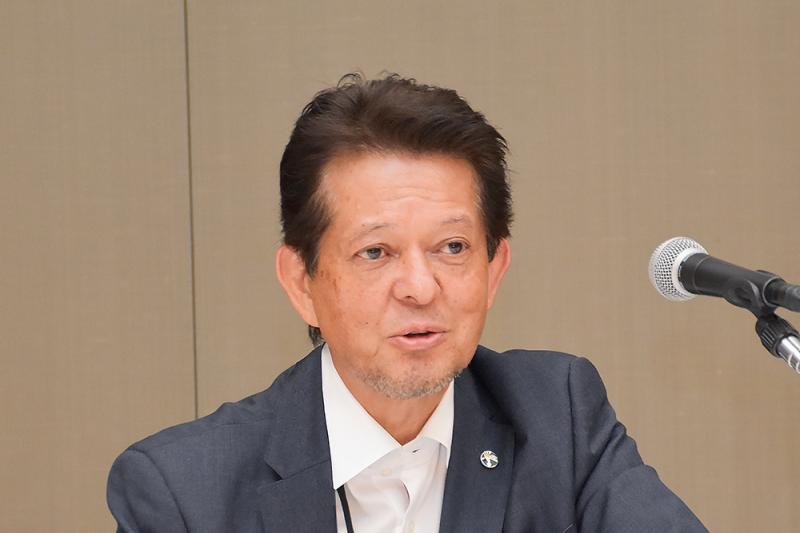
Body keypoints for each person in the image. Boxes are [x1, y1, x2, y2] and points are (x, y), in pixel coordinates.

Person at [107, 74, 707, 532]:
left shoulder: (558, 419)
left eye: (452, 247)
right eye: (376, 252)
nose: (420, 287)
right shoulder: (186, 492)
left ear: (494, 269)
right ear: (301, 282)